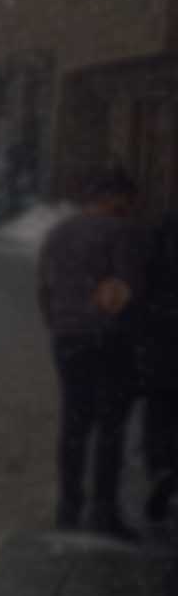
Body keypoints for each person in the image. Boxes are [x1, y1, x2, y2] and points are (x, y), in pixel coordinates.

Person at [38, 169, 147, 539]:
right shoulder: (122, 233)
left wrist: (59, 321)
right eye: (129, 202)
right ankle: (104, 511)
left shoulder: (59, 232)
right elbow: (126, 290)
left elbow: (44, 287)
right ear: (117, 197)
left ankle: (68, 506)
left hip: (67, 338)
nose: (131, 209)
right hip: (106, 339)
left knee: (74, 423)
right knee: (110, 427)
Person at [133, 210, 178, 526]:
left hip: (161, 339)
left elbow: (140, 282)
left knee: (159, 410)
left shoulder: (160, 228)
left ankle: (160, 467)